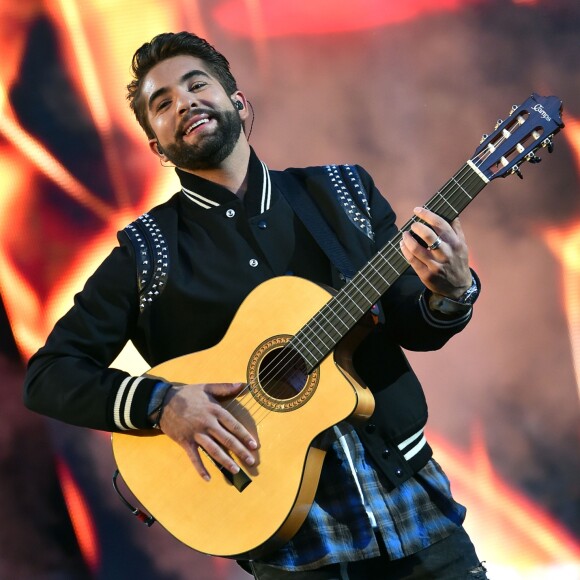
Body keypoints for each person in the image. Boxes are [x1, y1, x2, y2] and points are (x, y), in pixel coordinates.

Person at [23, 32, 488, 579]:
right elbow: (48, 375)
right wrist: (163, 403)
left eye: (198, 86)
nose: (185, 103)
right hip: (289, 537)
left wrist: (450, 291)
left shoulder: (341, 192)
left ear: (239, 105)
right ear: (157, 145)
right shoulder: (143, 254)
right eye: (163, 104)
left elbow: (416, 323)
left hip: (412, 504)